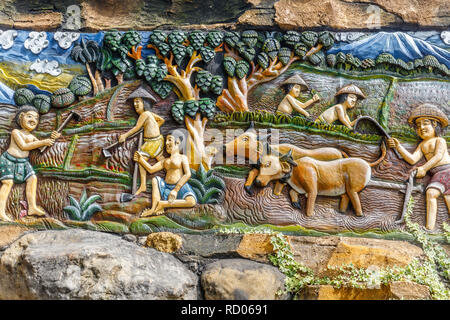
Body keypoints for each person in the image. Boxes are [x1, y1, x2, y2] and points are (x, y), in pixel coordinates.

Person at [388, 104, 450, 230]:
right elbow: (412, 159)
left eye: (425, 123)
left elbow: (438, 156)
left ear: (435, 125)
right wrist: (398, 146)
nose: (421, 127)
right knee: (431, 193)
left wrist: (424, 168)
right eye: (418, 125)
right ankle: (429, 228)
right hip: (437, 175)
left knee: (447, 199)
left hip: (447, 171)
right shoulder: (422, 145)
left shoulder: (440, 141)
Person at [0, 105, 60, 221]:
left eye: (36, 118)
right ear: (21, 117)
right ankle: (1, 211)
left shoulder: (32, 136)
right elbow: (23, 146)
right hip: (9, 160)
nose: (33, 120)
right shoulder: (16, 132)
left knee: (33, 178)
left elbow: (41, 147)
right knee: (7, 182)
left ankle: (32, 207)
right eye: (29, 116)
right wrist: (43, 141)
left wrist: (53, 138)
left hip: (23, 162)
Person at [134, 133, 197, 216]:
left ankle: (163, 204)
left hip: (180, 187)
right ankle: (153, 208)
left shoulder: (182, 158)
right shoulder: (165, 161)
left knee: (192, 201)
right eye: (166, 141)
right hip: (166, 187)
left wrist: (176, 190)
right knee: (155, 180)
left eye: (169, 140)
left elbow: (188, 174)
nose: (166, 143)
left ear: (177, 141)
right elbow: (151, 169)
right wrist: (141, 160)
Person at [119, 87, 165, 195]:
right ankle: (171, 172)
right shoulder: (150, 114)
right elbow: (161, 120)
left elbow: (136, 127)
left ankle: (143, 185)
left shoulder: (144, 114)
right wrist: (154, 128)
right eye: (134, 102)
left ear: (144, 102)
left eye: (138, 101)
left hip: (151, 143)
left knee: (140, 157)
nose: (135, 104)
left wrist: (125, 136)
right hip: (158, 140)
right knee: (161, 159)